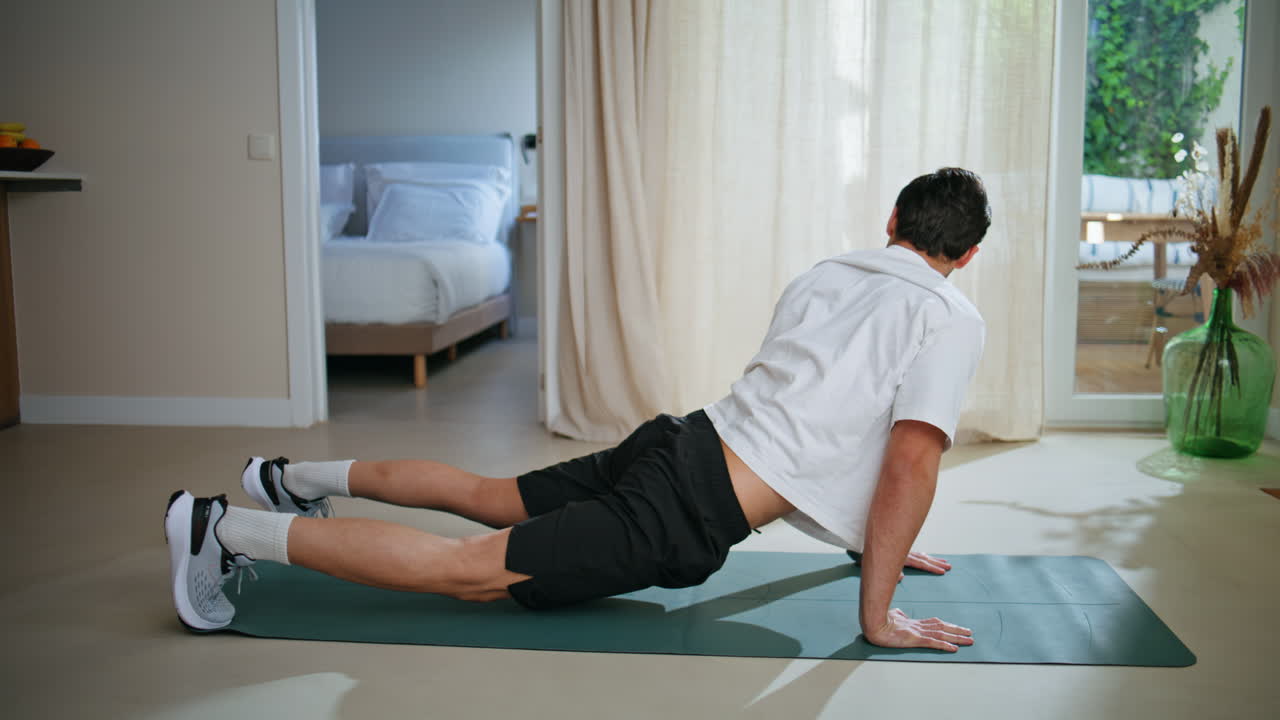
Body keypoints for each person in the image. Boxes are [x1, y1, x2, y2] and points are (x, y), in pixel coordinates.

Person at [165, 167, 989, 653]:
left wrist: (875, 542)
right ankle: (224, 528)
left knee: (488, 494)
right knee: (472, 574)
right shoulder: (949, 318)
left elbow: (811, 420)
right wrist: (877, 613)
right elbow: (906, 459)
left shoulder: (828, 273)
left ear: (892, 222)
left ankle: (283, 476)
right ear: (969, 254)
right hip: (686, 505)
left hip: (677, 440)